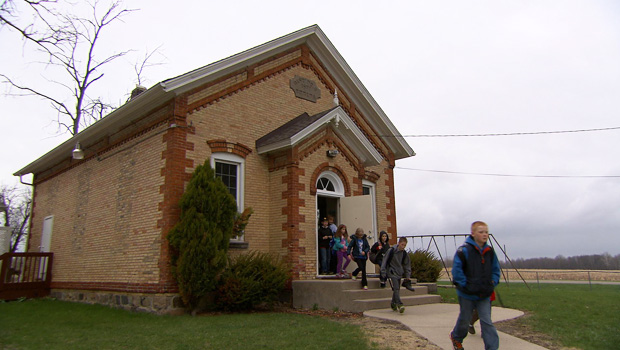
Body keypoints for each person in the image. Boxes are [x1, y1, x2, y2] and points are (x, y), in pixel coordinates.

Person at [449, 221, 500, 350]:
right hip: (467, 293)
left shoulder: (490, 252)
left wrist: (493, 282)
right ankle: (456, 337)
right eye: (481, 232)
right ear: (473, 233)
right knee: (465, 320)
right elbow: (457, 270)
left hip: (484, 293)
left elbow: (495, 270)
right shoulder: (464, 250)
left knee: (487, 322)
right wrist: (464, 285)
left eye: (486, 232)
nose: (484, 235)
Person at [380, 237, 412, 313]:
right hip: (391, 271)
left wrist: (408, 276)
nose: (403, 247)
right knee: (396, 287)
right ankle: (400, 304)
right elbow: (384, 261)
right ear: (398, 243)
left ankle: (393, 303)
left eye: (404, 245)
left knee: (397, 289)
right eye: (402, 245)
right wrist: (383, 271)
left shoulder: (404, 254)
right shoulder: (391, 251)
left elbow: (407, 265)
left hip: (399, 272)